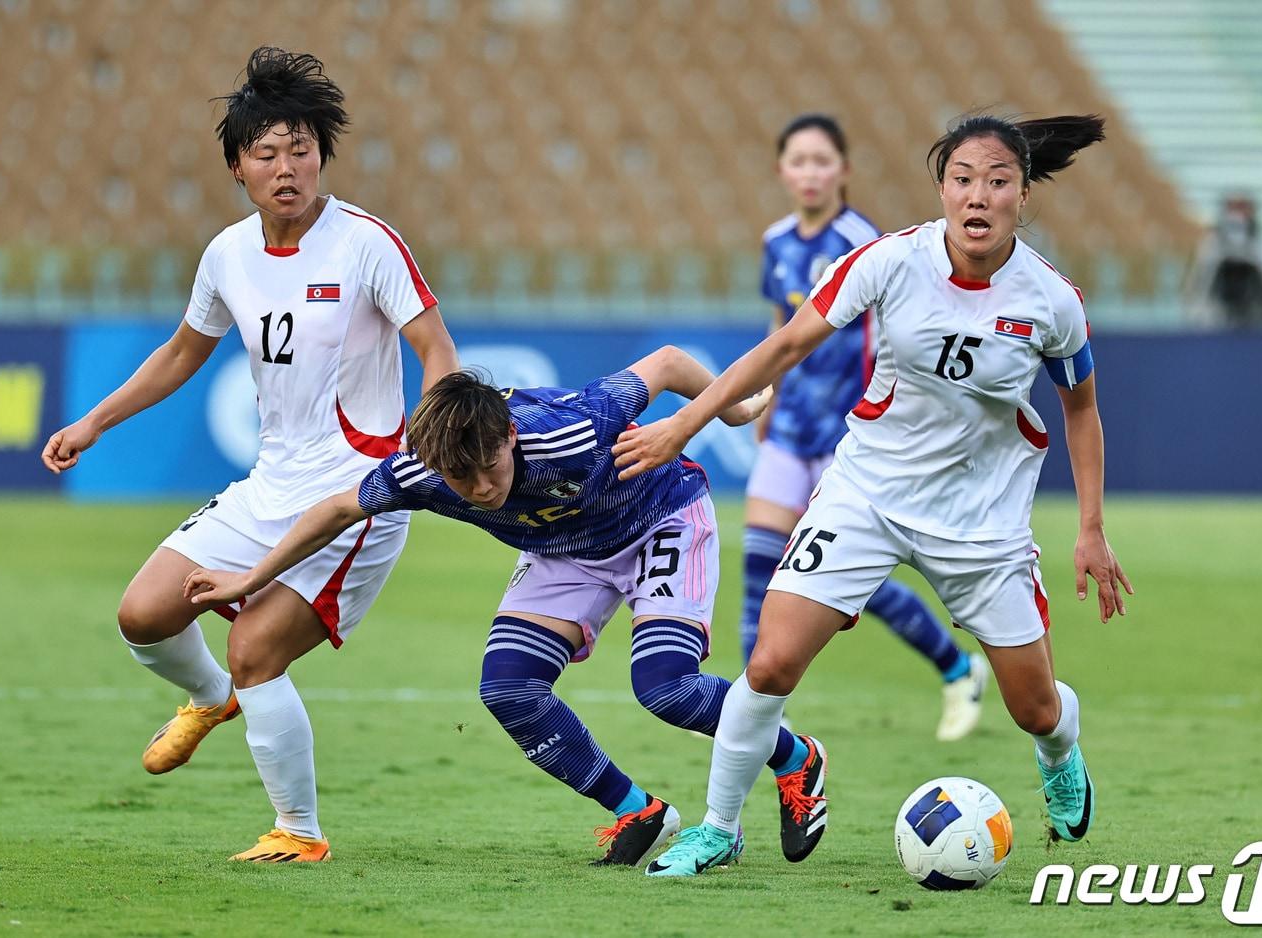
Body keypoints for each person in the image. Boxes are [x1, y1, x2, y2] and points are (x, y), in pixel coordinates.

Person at [614, 114, 1134, 877]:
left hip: (980, 524)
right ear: (942, 188)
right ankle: (720, 830)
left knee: (1035, 709)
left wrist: (1091, 528)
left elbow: (1081, 409)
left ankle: (1061, 751)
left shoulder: (1052, 301)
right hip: (868, 496)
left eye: (997, 181)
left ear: (1024, 193)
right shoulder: (890, 262)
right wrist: (684, 424)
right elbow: (784, 344)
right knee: (769, 666)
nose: (978, 196)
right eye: (963, 180)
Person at [40, 47, 459, 862]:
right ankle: (210, 698)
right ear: (237, 166)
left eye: (301, 148)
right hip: (270, 483)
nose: (287, 167)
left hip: (357, 495)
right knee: (145, 613)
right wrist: (95, 423)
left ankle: (298, 834)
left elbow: (435, 348)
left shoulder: (368, 242)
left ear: (321, 154)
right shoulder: (228, 254)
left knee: (255, 646)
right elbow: (180, 353)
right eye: (266, 152)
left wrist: (425, 450)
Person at [182, 350, 823, 868]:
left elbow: (668, 364)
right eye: (463, 483)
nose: (482, 489)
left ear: (510, 435)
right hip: (560, 549)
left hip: (658, 517)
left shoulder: (572, 426)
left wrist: (732, 412)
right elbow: (336, 510)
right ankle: (639, 811)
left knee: (666, 689)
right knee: (508, 688)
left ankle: (796, 758)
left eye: (490, 468)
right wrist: (250, 576)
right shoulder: (422, 472)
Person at [748, 114, 985, 741]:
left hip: (851, 436)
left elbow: (898, 325)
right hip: (792, 425)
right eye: (797, 161)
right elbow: (781, 326)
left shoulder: (864, 241)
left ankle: (958, 667)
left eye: (821, 161)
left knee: (852, 586)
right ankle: (750, 707)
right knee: (758, 561)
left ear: (843, 171)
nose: (809, 172)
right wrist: (767, 400)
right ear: (781, 171)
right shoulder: (775, 241)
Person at [1185, 193, 1262, 329]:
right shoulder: (1209, 249)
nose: (1237, 216)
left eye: (1242, 209)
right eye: (1233, 209)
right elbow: (1197, 291)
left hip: (1256, 325)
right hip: (1215, 324)